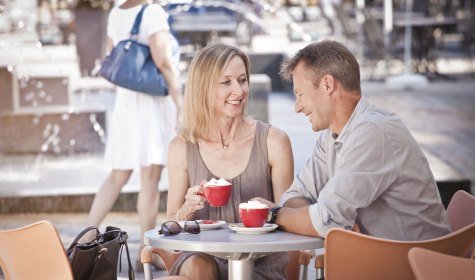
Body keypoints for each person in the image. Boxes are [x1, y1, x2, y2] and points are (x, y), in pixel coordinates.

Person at [255, 40, 451, 241]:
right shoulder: (331, 137)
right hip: (380, 261)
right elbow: (295, 196)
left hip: (415, 265)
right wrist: (319, 219)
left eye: (300, 94)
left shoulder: (373, 132)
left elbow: (326, 220)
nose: (297, 107)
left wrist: (273, 214)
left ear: (327, 85)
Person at [166, 43, 294, 279]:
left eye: (242, 80)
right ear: (203, 88)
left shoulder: (274, 141)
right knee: (198, 266)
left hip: (259, 263)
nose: (239, 91)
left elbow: (292, 219)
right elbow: (171, 223)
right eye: (226, 82)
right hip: (201, 258)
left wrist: (270, 209)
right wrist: (186, 210)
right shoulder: (181, 147)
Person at [84, 0, 182, 270]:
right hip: (150, 102)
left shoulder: (117, 12)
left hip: (127, 103)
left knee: (118, 174)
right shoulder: (152, 12)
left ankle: (86, 237)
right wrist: (180, 101)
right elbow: (163, 61)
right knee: (150, 176)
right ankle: (146, 252)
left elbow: (112, 51)